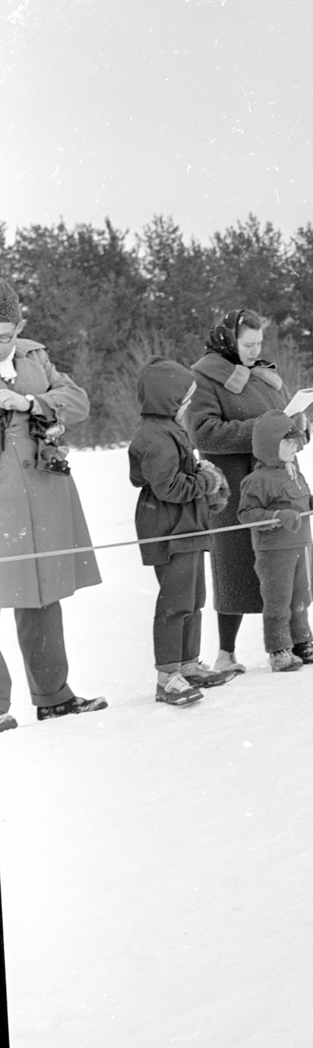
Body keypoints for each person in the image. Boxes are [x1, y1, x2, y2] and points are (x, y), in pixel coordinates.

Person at [189, 308, 313, 672]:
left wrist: (296, 427)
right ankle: (226, 653)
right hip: (237, 487)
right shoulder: (205, 377)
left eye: (259, 343)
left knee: (289, 567)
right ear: (228, 340)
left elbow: (277, 424)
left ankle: (299, 641)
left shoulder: (264, 376)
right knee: (233, 567)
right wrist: (261, 430)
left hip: (281, 485)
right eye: (248, 344)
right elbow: (202, 432)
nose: (254, 351)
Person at [0, 278, 106, 731]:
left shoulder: (35, 356)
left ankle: (53, 696)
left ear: (19, 325)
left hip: (40, 489)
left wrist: (28, 401)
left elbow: (77, 401)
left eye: (5, 334)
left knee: (40, 592)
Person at [128, 358, 238, 707]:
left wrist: (200, 474)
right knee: (175, 603)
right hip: (169, 529)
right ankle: (167, 676)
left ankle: (189, 663)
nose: (188, 408)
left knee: (194, 600)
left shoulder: (169, 430)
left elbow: (179, 476)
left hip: (188, 527)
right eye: (184, 402)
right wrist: (202, 481)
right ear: (168, 401)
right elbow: (168, 488)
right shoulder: (154, 436)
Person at [236, 411, 313, 672]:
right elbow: (246, 515)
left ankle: (302, 643)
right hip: (274, 552)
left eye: (295, 442)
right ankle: (279, 650)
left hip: (301, 546)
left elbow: (302, 499)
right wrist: (277, 516)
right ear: (270, 446)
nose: (295, 447)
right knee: (279, 600)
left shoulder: (292, 472)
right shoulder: (257, 480)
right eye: (288, 443)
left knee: (301, 597)